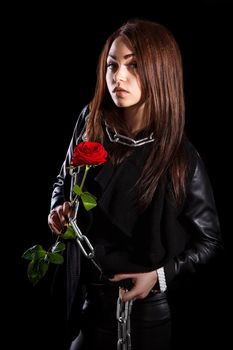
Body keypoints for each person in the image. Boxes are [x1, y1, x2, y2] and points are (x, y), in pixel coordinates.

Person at [48, 18, 222, 350]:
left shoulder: (179, 156)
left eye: (134, 65)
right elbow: (62, 178)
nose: (118, 76)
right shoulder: (90, 122)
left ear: (160, 70)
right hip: (86, 304)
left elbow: (209, 241)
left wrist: (160, 275)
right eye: (112, 65)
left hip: (146, 315)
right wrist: (57, 208)